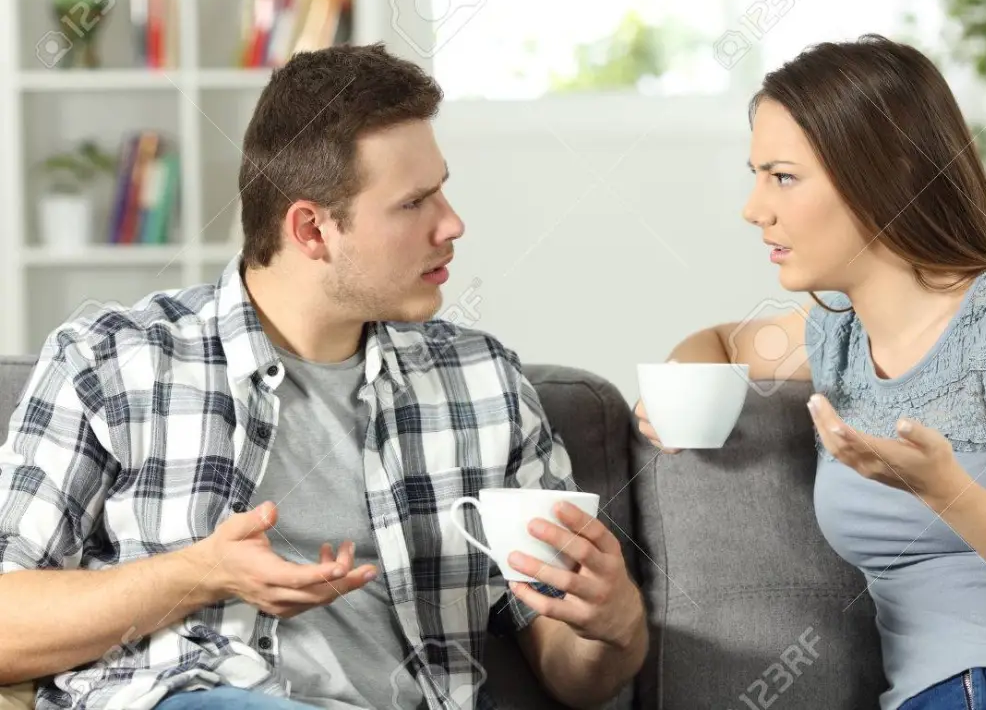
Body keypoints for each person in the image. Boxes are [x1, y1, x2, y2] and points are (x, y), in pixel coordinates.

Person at [0, 43, 648, 710]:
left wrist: (614, 625)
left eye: (442, 190)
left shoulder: (484, 383)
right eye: (414, 203)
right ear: (312, 229)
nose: (452, 224)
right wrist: (200, 574)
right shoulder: (112, 363)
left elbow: (578, 678)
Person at [636, 34, 986, 709]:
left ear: (885, 174)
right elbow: (720, 341)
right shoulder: (837, 335)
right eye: (756, 175)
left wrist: (950, 494)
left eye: (782, 176)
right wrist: (681, 391)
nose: (754, 209)